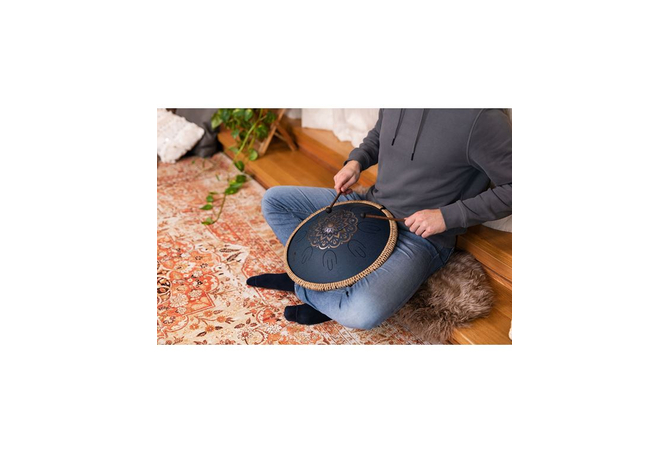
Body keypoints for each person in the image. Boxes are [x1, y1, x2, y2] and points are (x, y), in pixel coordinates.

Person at [246, 108, 512, 329]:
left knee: (360, 313)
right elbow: (378, 135)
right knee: (274, 201)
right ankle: (318, 279)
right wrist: (356, 162)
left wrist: (446, 216)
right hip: (369, 207)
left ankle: (304, 283)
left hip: (419, 236)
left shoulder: (482, 118)